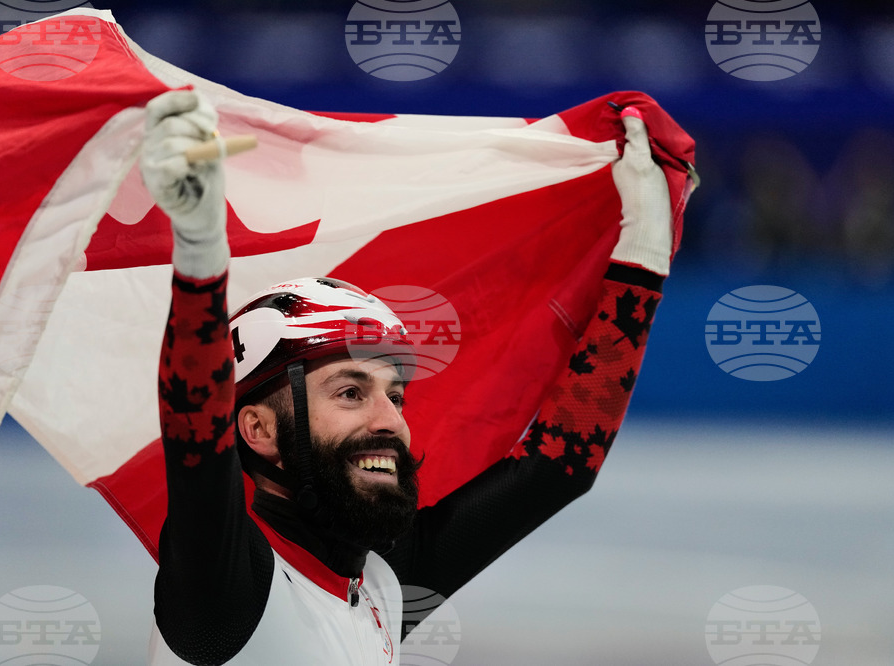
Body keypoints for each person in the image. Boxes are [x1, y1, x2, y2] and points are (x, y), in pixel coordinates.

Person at [141, 90, 674, 665]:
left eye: (395, 395)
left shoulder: (382, 585)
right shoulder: (223, 601)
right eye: (350, 392)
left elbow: (556, 467)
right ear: (258, 429)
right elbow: (195, 430)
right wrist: (198, 251)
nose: (390, 419)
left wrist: (642, 257)